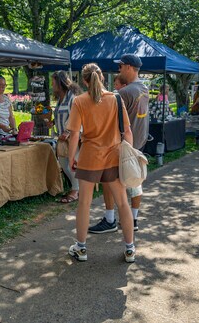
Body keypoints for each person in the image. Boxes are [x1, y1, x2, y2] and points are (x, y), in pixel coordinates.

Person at [67, 63, 136, 263]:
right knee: (123, 203)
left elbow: (73, 136)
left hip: (89, 157)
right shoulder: (116, 98)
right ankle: (130, 249)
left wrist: (72, 158)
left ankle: (81, 248)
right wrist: (128, 155)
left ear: (84, 81)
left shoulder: (79, 101)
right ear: (103, 77)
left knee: (84, 204)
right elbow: (128, 131)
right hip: (114, 156)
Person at [89, 54, 149, 234]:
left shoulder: (123, 93)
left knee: (109, 182)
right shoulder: (144, 88)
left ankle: (110, 220)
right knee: (135, 181)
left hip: (120, 145)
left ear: (129, 67)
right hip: (137, 143)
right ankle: (133, 218)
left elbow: (105, 120)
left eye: (121, 66)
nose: (119, 69)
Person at [51, 71, 83, 204]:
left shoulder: (72, 97)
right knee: (64, 164)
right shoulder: (61, 98)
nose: (52, 85)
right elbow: (61, 115)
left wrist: (68, 132)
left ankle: (76, 190)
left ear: (60, 82)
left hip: (72, 136)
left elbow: (77, 116)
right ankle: (77, 187)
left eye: (53, 82)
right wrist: (52, 122)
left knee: (72, 163)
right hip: (62, 138)